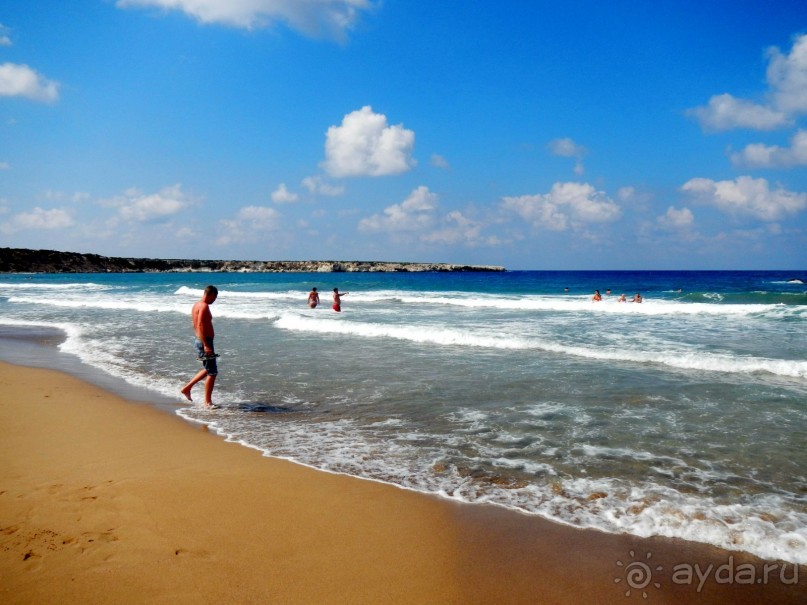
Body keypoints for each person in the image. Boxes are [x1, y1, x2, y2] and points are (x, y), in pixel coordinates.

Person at [181, 285, 219, 408]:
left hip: (200, 340)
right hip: (205, 342)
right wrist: (206, 345)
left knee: (208, 369)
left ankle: (187, 388)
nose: (214, 300)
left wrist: (199, 339)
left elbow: (195, 325)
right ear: (211, 294)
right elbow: (200, 325)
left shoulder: (196, 305)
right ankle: (208, 402)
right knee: (212, 373)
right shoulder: (204, 306)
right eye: (215, 298)